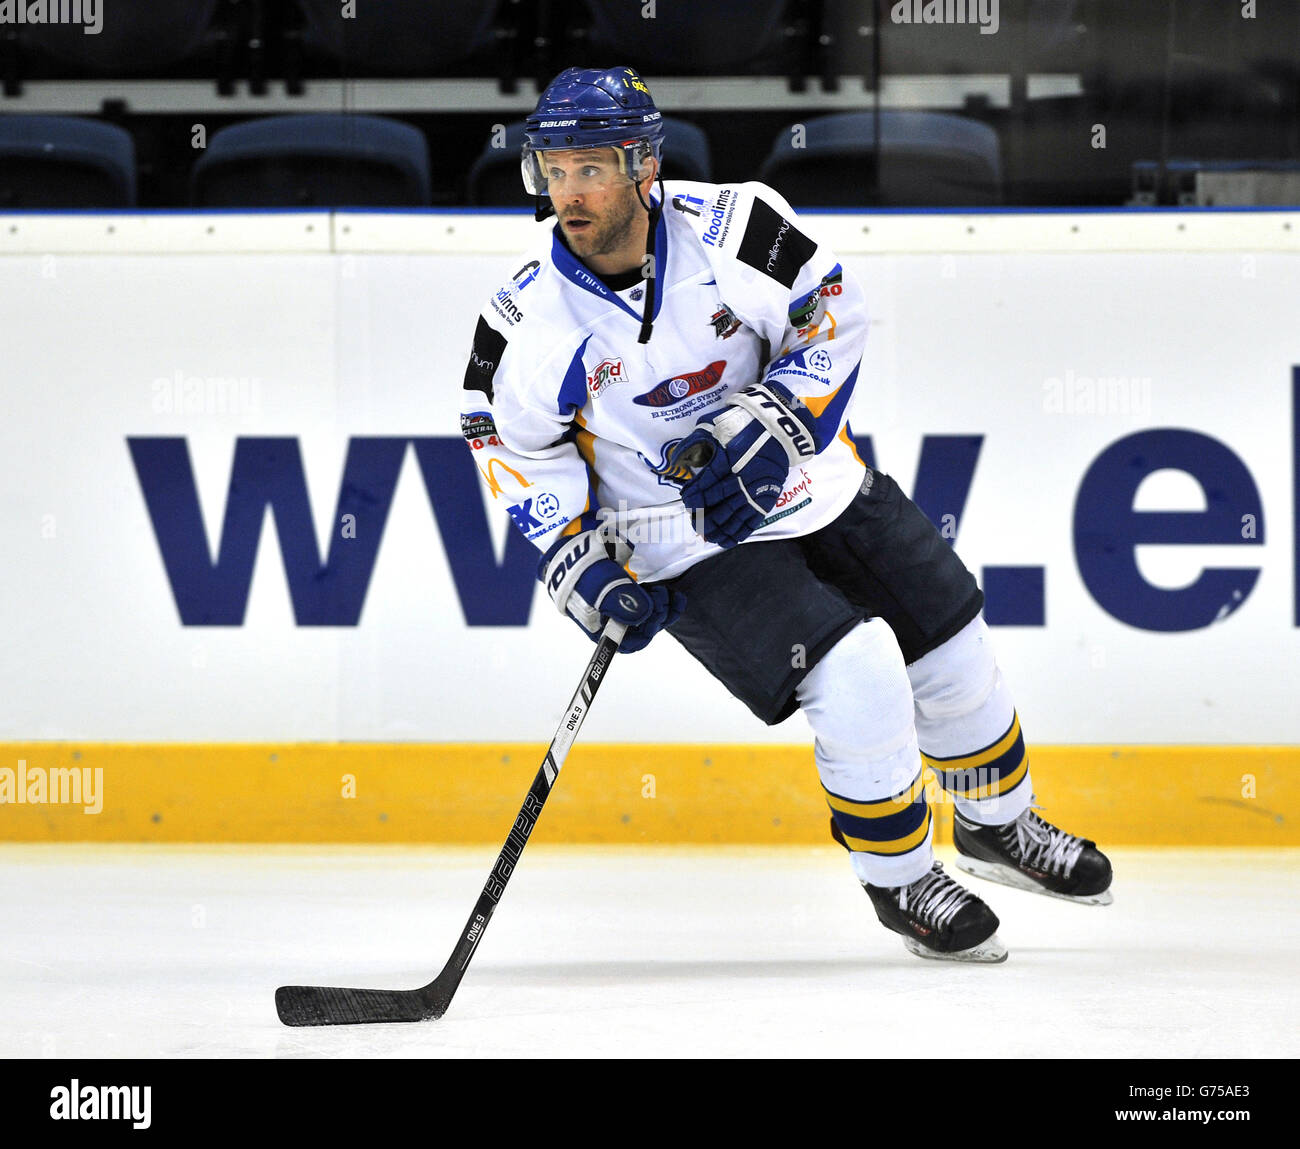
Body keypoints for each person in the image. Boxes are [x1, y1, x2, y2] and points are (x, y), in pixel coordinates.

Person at [461, 65, 1112, 962]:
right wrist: (579, 561)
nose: (569, 194)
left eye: (592, 170)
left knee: (951, 640)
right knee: (859, 665)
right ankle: (902, 879)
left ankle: (998, 824)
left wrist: (776, 421)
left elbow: (829, 311)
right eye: (555, 171)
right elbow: (511, 446)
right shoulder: (529, 322)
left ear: (643, 168)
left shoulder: (736, 229)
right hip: (681, 538)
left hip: (815, 484)